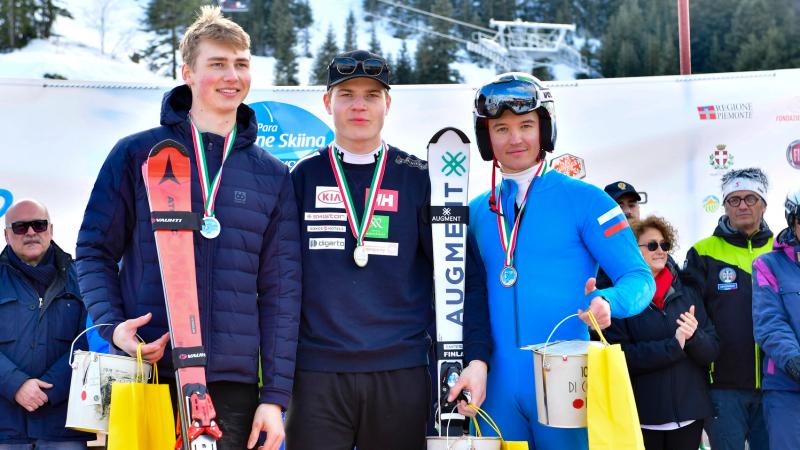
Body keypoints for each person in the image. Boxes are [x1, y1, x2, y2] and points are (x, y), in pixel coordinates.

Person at [75, 7, 301, 450]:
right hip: (149, 370)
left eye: (240, 64)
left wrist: (274, 397)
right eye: (217, 63)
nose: (231, 75)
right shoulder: (137, 154)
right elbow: (93, 251)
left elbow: (282, 292)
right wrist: (113, 325)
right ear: (187, 73)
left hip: (233, 384)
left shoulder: (272, 175)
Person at [285, 49, 489, 449]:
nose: (359, 105)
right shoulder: (302, 176)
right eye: (346, 94)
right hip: (317, 377)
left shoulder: (417, 178)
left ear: (388, 103)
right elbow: (278, 281)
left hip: (401, 373)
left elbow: (465, 277)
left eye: (372, 95)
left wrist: (477, 359)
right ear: (328, 102)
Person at [452, 72, 654, 449]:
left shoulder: (588, 201)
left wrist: (610, 301)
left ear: (545, 130)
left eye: (526, 125)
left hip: (565, 383)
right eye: (501, 128)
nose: (515, 139)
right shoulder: (477, 211)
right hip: (493, 389)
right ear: (486, 137)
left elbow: (639, 277)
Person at [604, 215, 719, 450]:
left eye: (664, 245)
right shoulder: (621, 298)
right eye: (652, 245)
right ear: (633, 250)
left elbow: (711, 352)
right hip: (643, 417)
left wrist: (694, 337)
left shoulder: (688, 292)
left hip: (690, 414)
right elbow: (621, 357)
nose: (660, 251)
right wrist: (674, 346)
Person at [684, 167, 773, 450]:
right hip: (722, 386)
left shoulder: (781, 249)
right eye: (734, 199)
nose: (743, 205)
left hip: (776, 387)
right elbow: (691, 316)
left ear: (764, 204)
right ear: (724, 205)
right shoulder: (703, 252)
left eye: (750, 198)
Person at [1, 199, 93, 449]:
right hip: (5, 428)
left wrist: (49, 391)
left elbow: (90, 340)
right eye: (20, 227)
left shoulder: (83, 277)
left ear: (50, 230)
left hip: (62, 426)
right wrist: (15, 384)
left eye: (39, 225)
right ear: (6, 234)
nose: (31, 232)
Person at [752, 188, 800, 449]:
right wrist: (794, 363)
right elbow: (770, 322)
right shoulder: (767, 264)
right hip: (787, 388)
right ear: (792, 221)